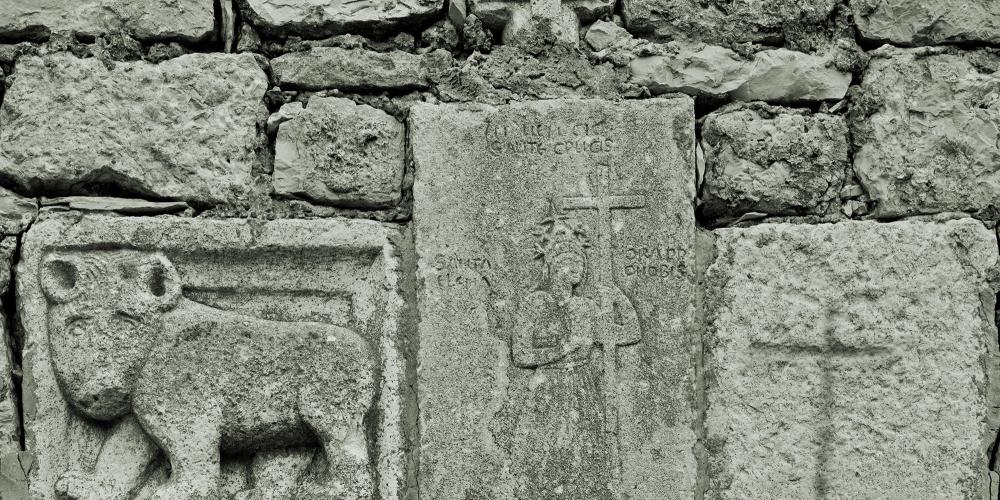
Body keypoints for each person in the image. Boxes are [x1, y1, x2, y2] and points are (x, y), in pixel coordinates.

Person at [509, 213, 639, 499]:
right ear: (554, 266)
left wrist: (619, 297)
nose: (579, 268)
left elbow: (629, 334)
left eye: (581, 262)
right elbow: (520, 354)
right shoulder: (535, 303)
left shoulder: (586, 308)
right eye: (571, 262)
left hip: (582, 387)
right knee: (544, 456)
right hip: (547, 387)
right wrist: (562, 349)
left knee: (586, 456)